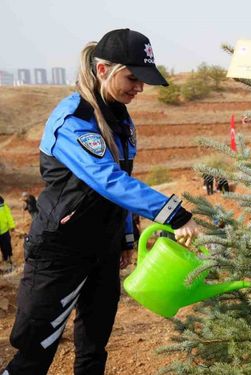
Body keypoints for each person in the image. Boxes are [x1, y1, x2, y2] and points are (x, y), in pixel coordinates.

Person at [3, 29, 199, 375]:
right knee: (34, 352)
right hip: (61, 252)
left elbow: (119, 184)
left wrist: (125, 238)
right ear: (104, 69)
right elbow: (109, 182)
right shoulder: (73, 120)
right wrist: (175, 214)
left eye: (144, 80)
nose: (139, 88)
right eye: (133, 77)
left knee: (94, 347)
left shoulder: (120, 118)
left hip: (103, 250)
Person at [0, 195, 16, 269]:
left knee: (6, 246)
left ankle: (9, 259)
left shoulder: (3, 204)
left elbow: (8, 215)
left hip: (4, 231)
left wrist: (12, 225)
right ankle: (4, 260)